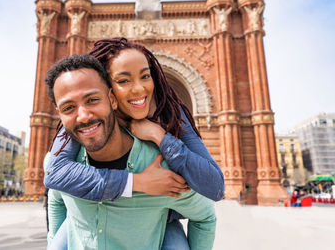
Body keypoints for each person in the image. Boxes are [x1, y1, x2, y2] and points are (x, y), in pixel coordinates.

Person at [44, 37, 224, 249]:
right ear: (107, 90)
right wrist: (138, 182)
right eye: (123, 80)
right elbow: (55, 176)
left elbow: (214, 188)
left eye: (145, 76)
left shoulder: (167, 111)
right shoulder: (83, 124)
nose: (139, 89)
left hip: (158, 221)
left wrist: (160, 136)